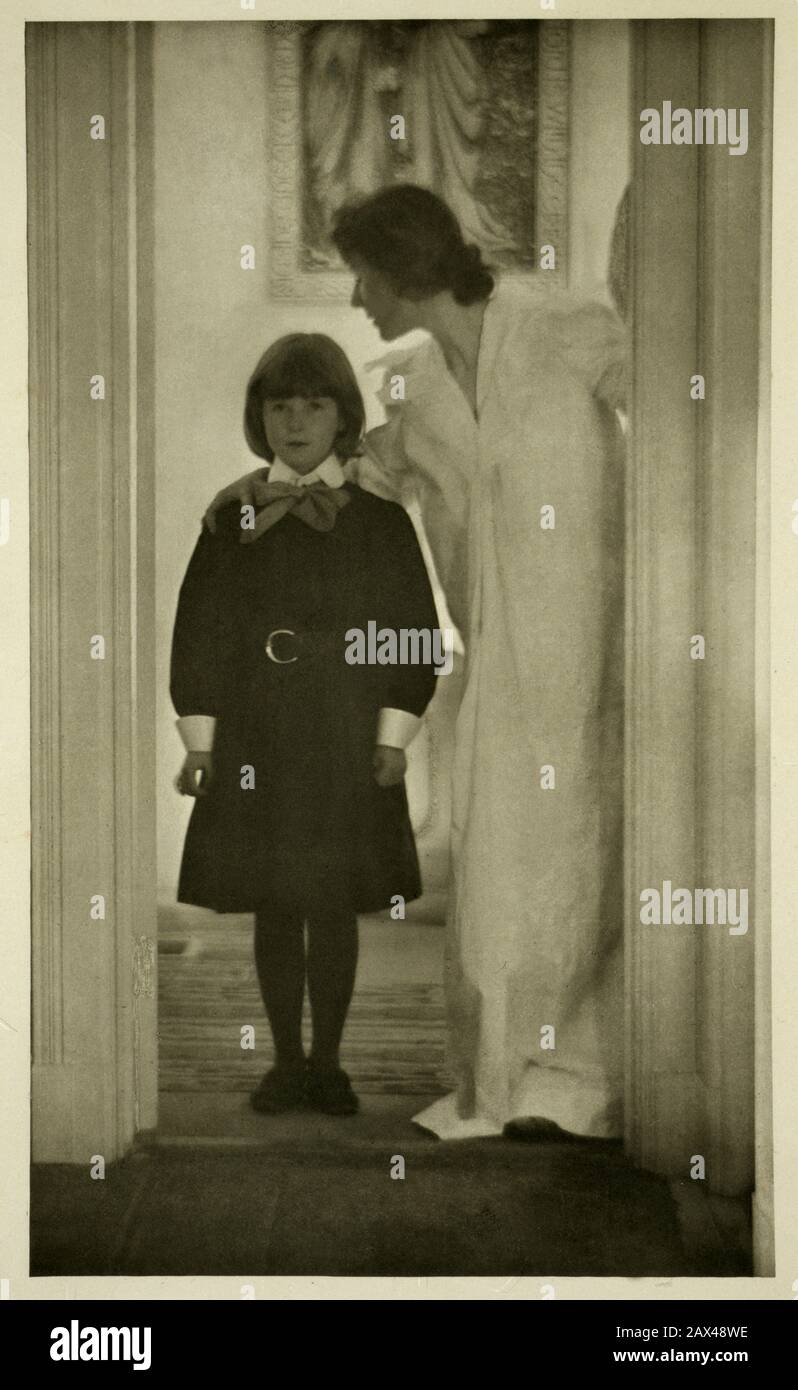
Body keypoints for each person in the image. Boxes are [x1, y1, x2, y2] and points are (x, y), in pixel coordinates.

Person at [204, 185, 629, 1142]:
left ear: (401, 266)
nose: (356, 298)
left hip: (602, 654)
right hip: (499, 674)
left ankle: (584, 1079)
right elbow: (351, 473)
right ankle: (499, 1081)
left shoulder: (566, 329)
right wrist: (252, 498)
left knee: (593, 861)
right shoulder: (409, 381)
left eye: (361, 274)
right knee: (499, 873)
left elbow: (695, 416)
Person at [171, 332, 440, 1117]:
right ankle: (284, 1061)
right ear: (260, 417)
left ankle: (330, 1062)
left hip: (344, 734)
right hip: (257, 738)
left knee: (331, 899)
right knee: (274, 900)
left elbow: (412, 633)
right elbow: (199, 636)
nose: (296, 422)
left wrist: (392, 736)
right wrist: (202, 745)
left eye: (314, 405)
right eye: (279, 406)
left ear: (343, 415)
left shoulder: (381, 523)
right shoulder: (230, 520)